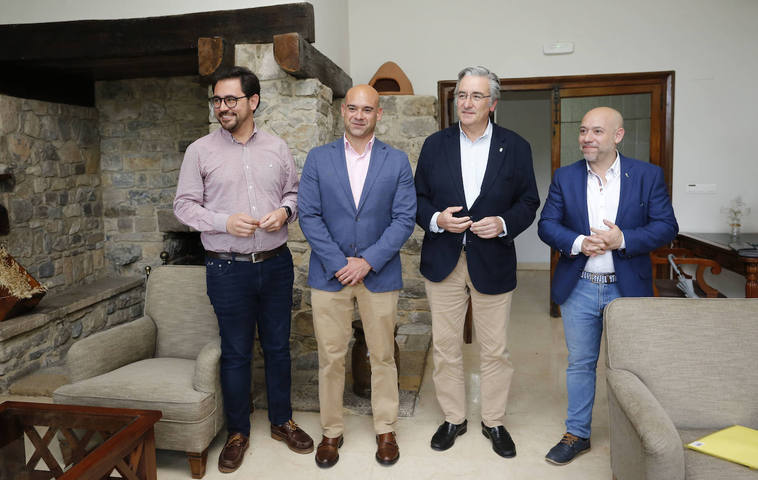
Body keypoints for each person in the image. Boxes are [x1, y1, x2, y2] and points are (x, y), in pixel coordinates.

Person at [173, 66, 313, 473]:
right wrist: (222, 222)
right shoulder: (200, 151)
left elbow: (295, 192)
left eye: (230, 99)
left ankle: (281, 421)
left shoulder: (277, 147)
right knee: (235, 353)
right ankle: (238, 433)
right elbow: (183, 206)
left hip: (275, 265)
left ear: (253, 101)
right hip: (226, 268)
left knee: (277, 348)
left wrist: (285, 212)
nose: (222, 107)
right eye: (217, 100)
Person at [538, 106, 678, 465]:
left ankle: (638, 435)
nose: (587, 138)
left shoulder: (647, 176)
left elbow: (666, 227)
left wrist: (623, 239)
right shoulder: (565, 177)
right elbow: (547, 225)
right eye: (583, 131)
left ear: (618, 135)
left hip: (626, 288)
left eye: (597, 131)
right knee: (580, 363)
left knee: (629, 366)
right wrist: (578, 243)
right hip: (580, 285)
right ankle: (577, 434)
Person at [414, 66, 540, 459]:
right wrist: (438, 220)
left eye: (476, 96)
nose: (466, 103)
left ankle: (494, 420)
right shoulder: (435, 145)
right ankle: (453, 418)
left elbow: (528, 202)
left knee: (495, 349)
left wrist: (503, 223)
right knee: (447, 347)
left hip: (493, 260)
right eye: (461, 96)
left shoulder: (516, 146)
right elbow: (417, 199)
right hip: (443, 261)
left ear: (493, 103)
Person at [298, 84, 416, 468]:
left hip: (378, 274)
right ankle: (331, 431)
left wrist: (366, 261)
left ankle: (385, 428)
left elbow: (403, 219)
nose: (359, 115)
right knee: (331, 358)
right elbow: (309, 215)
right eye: (353, 108)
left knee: (382, 356)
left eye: (368, 109)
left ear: (379, 114)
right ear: (342, 112)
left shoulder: (396, 161)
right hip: (329, 275)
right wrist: (339, 262)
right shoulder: (318, 159)